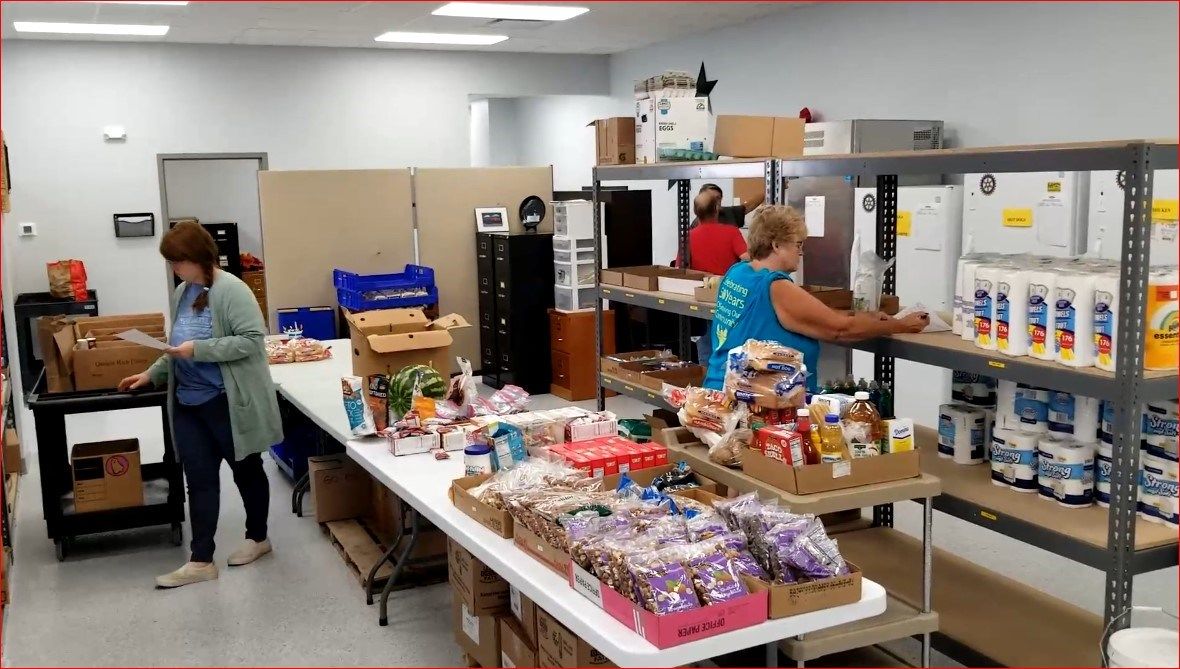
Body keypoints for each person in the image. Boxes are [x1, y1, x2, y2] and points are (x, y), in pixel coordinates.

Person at [119, 221, 282, 589]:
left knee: (247, 470)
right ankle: (201, 560)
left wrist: (202, 350)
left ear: (199, 257)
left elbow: (252, 340)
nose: (175, 269)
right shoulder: (183, 293)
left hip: (226, 402)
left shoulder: (233, 291)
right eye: (172, 263)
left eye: (179, 262)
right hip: (188, 402)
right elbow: (175, 345)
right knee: (199, 479)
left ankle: (258, 538)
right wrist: (153, 372)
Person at [704, 205, 927, 391]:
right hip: (753, 403)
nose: (801, 253)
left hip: (722, 390)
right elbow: (841, 329)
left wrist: (864, 316)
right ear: (776, 245)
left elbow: (807, 316)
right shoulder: (775, 286)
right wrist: (902, 325)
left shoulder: (738, 272)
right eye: (798, 245)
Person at [683, 190, 750, 276]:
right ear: (716, 209)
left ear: (695, 211)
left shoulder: (688, 236)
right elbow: (747, 258)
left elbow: (679, 268)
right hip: (726, 286)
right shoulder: (732, 232)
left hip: (699, 286)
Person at [699, 182, 764, 228]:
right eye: (710, 198)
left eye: (718, 198)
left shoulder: (728, 213)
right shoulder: (697, 225)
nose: (714, 201)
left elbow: (749, 205)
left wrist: (769, 190)